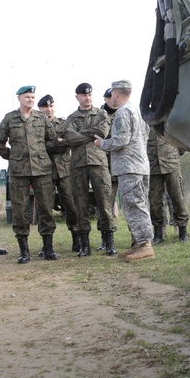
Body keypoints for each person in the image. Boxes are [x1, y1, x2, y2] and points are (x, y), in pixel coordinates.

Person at [0, 85, 59, 263]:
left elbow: (51, 139)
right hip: (19, 172)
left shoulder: (41, 118)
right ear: (19, 98)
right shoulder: (10, 118)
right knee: (20, 210)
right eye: (27, 97)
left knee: (46, 208)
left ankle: (48, 249)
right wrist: (14, 157)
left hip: (42, 170)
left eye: (32, 97)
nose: (30, 99)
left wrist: (41, 154)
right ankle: (24, 251)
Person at [94, 80, 154, 262]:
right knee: (139, 204)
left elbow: (121, 140)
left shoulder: (122, 112)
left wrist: (101, 143)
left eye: (112, 94)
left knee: (134, 205)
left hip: (129, 167)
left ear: (117, 94)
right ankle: (139, 243)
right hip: (140, 165)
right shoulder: (137, 111)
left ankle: (145, 245)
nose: (111, 98)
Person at [63, 83, 116, 256]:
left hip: (98, 163)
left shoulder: (101, 114)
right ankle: (85, 245)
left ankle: (109, 242)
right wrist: (90, 134)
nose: (87, 98)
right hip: (78, 165)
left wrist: (82, 134)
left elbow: (104, 132)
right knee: (80, 204)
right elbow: (69, 137)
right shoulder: (71, 118)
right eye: (83, 95)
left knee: (104, 202)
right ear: (77, 97)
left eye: (89, 95)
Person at [38, 94, 79, 253]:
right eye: (45, 107)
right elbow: (37, 146)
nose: (48, 110)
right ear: (40, 109)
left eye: (51, 106)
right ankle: (46, 244)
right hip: (44, 170)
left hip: (64, 170)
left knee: (71, 205)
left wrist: (49, 144)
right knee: (45, 208)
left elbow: (69, 141)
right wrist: (57, 142)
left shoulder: (63, 123)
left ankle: (77, 239)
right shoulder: (36, 125)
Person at [147, 129, 189, 243]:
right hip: (153, 165)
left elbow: (182, 141)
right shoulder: (146, 120)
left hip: (171, 163)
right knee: (155, 201)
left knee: (178, 198)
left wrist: (173, 153)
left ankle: (182, 231)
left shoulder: (169, 119)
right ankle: (158, 233)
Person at [101, 88, 119, 218]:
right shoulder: (98, 115)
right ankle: (108, 228)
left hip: (124, 161)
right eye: (109, 98)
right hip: (106, 163)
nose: (112, 101)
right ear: (106, 99)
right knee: (107, 197)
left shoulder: (124, 113)